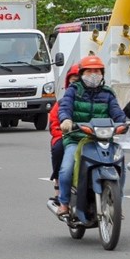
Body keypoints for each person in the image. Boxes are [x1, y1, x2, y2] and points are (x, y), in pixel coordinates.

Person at [54, 55, 127, 218]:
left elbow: (117, 112)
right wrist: (66, 120)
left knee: (119, 166)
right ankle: (64, 203)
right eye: (90, 70)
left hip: (102, 139)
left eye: (97, 71)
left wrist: (128, 123)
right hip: (76, 137)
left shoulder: (108, 93)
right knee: (66, 170)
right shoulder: (74, 90)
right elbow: (64, 107)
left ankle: (117, 203)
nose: (94, 74)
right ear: (82, 73)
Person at [48, 63, 82, 202]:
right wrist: (63, 131)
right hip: (68, 137)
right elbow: (54, 124)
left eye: (79, 81)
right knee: (58, 149)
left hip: (90, 137)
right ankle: (58, 184)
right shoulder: (63, 102)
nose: (76, 85)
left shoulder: (100, 97)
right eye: (73, 81)